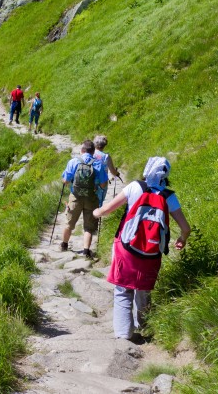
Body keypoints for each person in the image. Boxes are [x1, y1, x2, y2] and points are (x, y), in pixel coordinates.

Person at [93, 157, 190, 341]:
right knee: (143, 289)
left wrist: (96, 212)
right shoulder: (169, 196)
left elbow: (106, 210)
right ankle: (145, 326)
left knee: (123, 289)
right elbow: (186, 228)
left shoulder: (135, 187)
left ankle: (124, 334)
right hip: (152, 252)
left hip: (126, 248)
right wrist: (181, 239)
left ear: (146, 170)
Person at [60, 139, 101, 257]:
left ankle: (64, 245)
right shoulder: (97, 164)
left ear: (82, 150)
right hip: (91, 198)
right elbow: (103, 184)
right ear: (93, 152)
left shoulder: (73, 162)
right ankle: (86, 251)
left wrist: (65, 180)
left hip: (76, 197)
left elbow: (66, 181)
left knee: (69, 223)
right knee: (89, 227)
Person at [93, 134, 122, 207]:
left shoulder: (90, 154)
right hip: (101, 182)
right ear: (104, 145)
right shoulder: (106, 156)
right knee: (98, 203)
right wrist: (117, 174)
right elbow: (112, 171)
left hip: (90, 181)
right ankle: (96, 215)